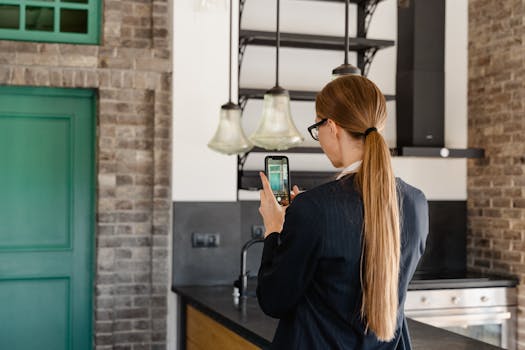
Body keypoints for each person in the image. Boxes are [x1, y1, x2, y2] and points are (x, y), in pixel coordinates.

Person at [256, 75, 429, 349]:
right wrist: (305, 218)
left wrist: (275, 229)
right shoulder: (417, 202)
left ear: (332, 127)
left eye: (317, 127)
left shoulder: (313, 208)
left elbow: (274, 300)